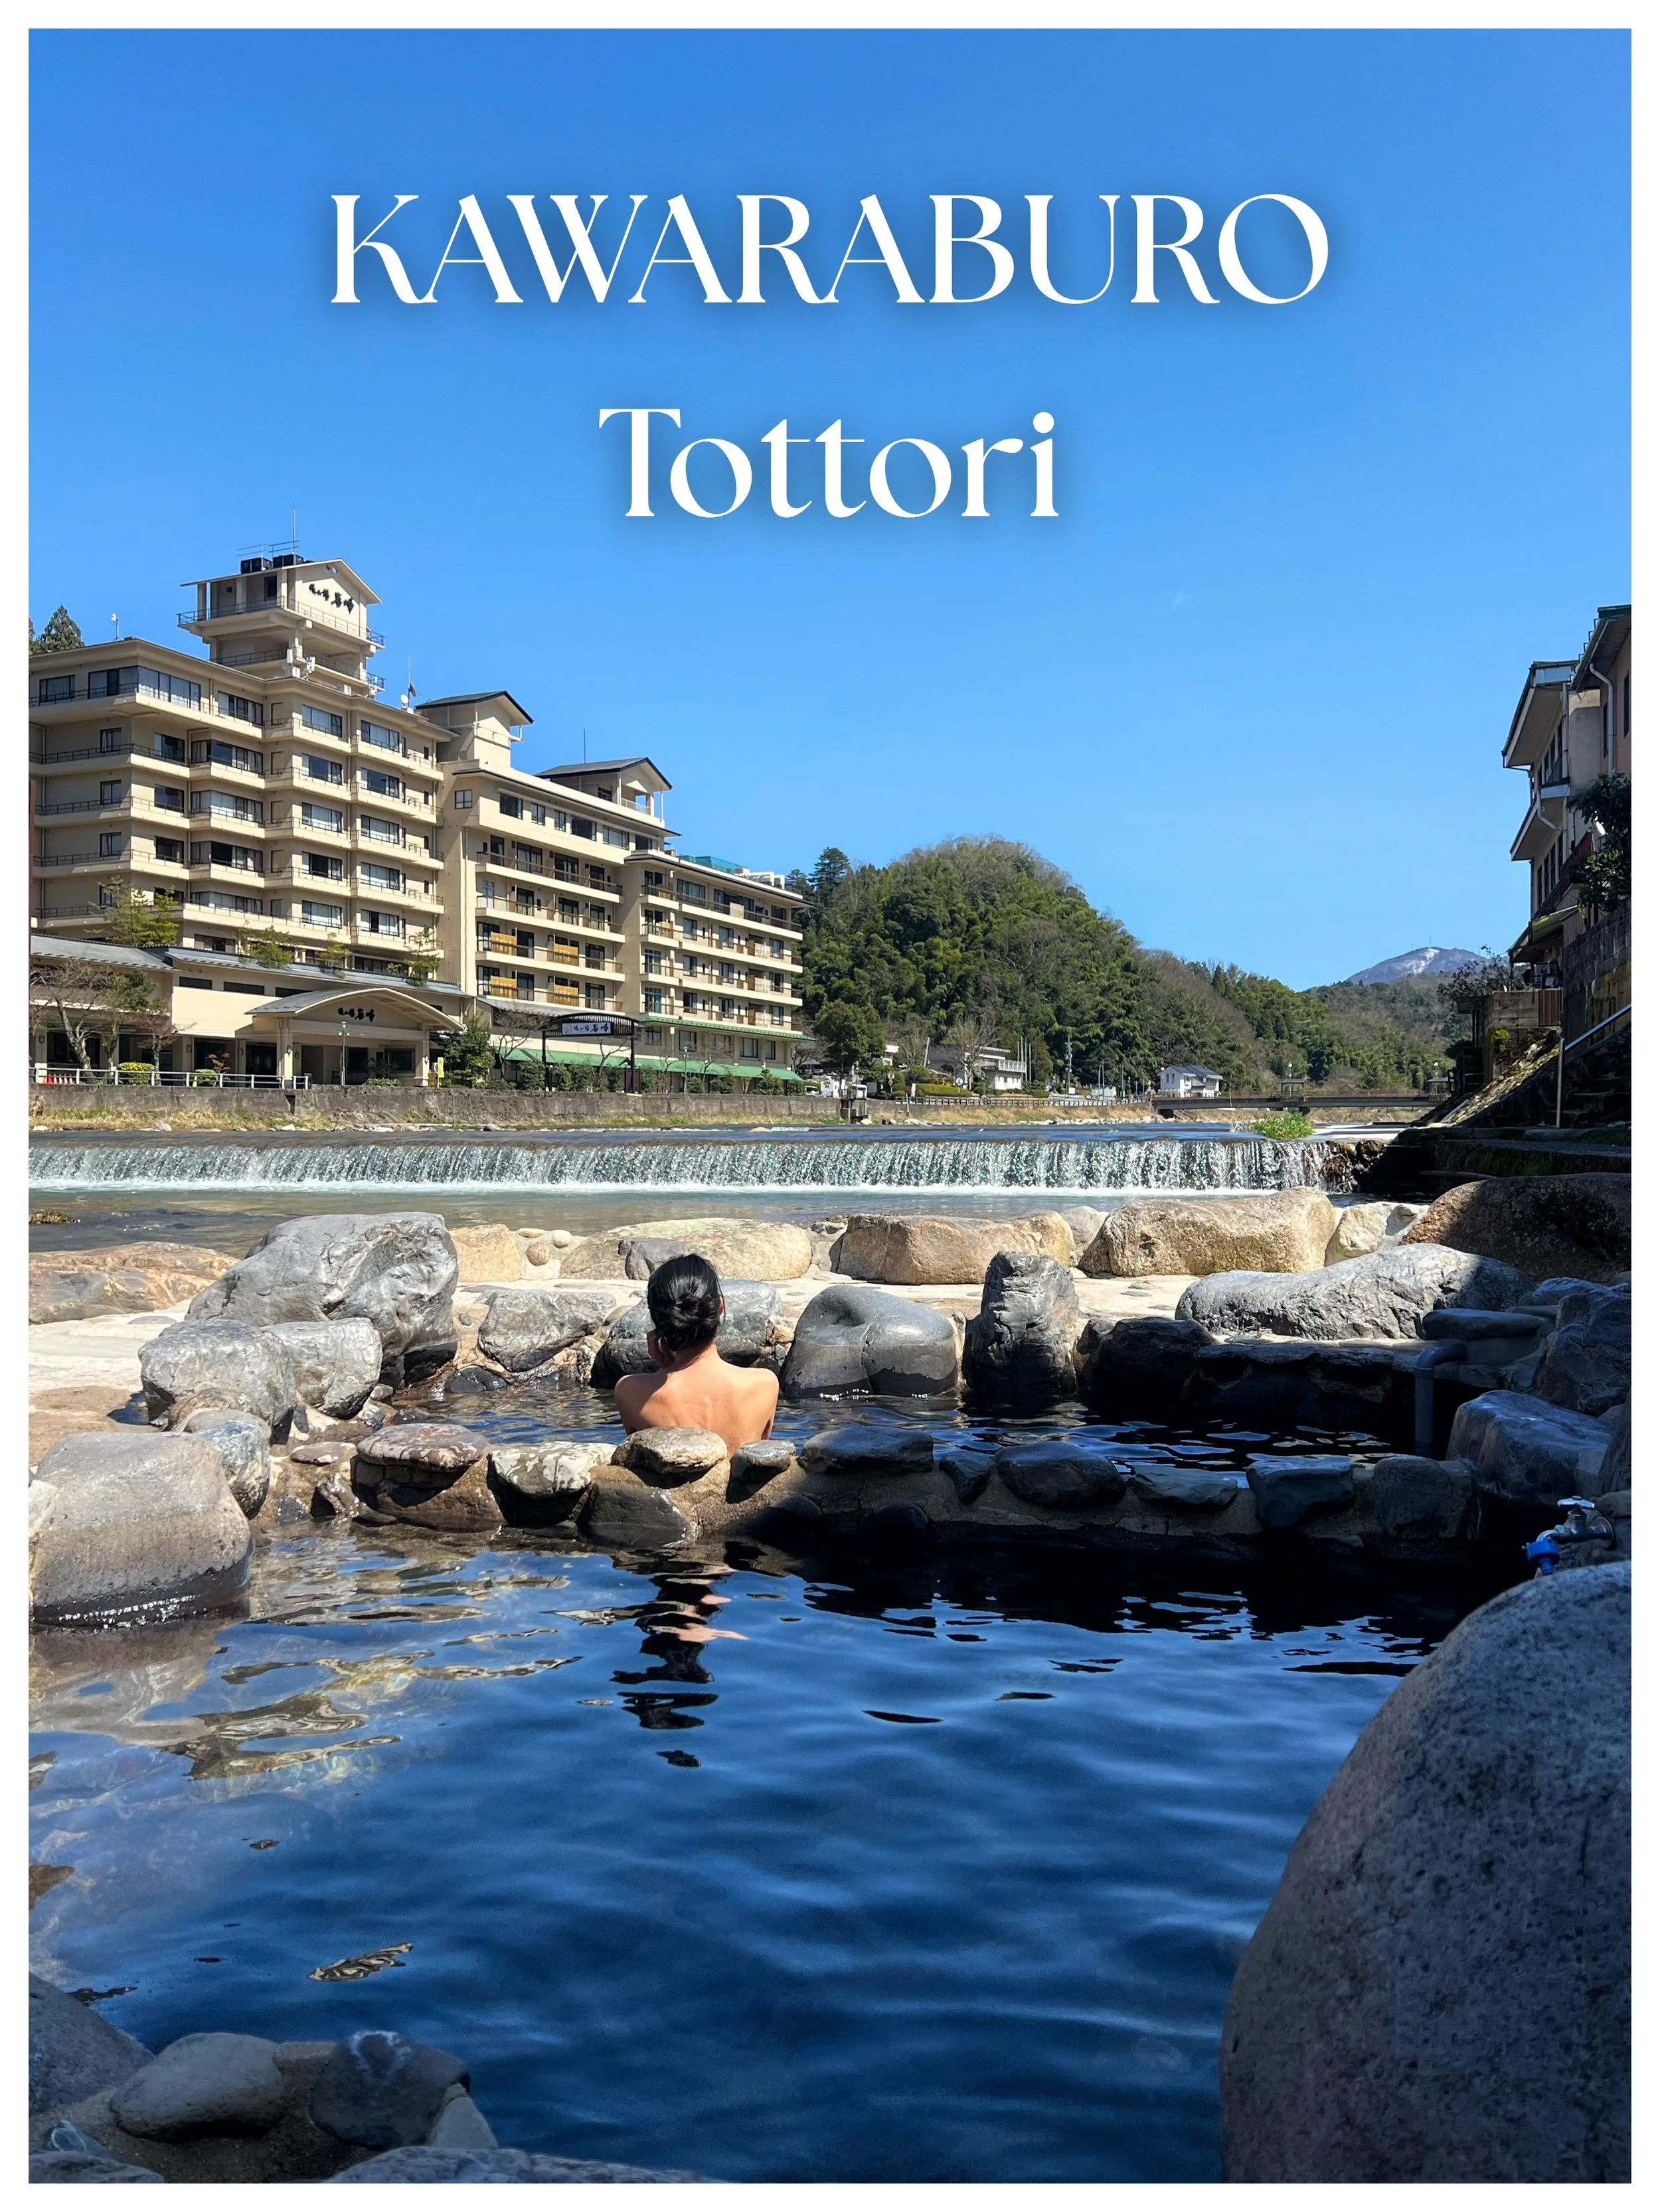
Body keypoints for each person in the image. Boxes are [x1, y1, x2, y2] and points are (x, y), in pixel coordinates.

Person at [613, 1252, 779, 1454]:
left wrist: (665, 1370)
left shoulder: (630, 1392)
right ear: (720, 1307)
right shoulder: (764, 1384)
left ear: (658, 1320)